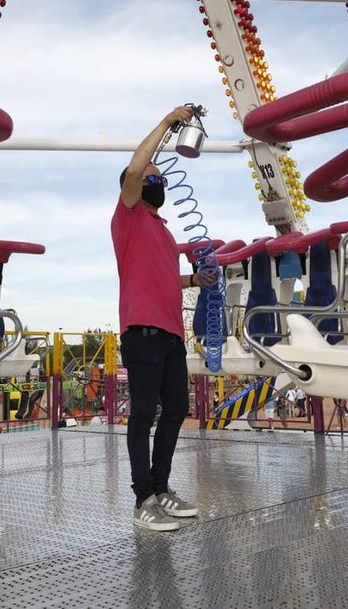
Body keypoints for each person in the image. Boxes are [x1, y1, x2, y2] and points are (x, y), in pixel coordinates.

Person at [112, 104, 208, 532]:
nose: (159, 182)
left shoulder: (163, 229)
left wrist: (195, 280)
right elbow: (134, 170)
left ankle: (162, 489)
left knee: (175, 411)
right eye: (156, 177)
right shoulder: (128, 215)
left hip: (171, 334)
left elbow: (166, 277)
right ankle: (143, 500)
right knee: (143, 413)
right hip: (142, 332)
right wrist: (169, 123)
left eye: (161, 179)